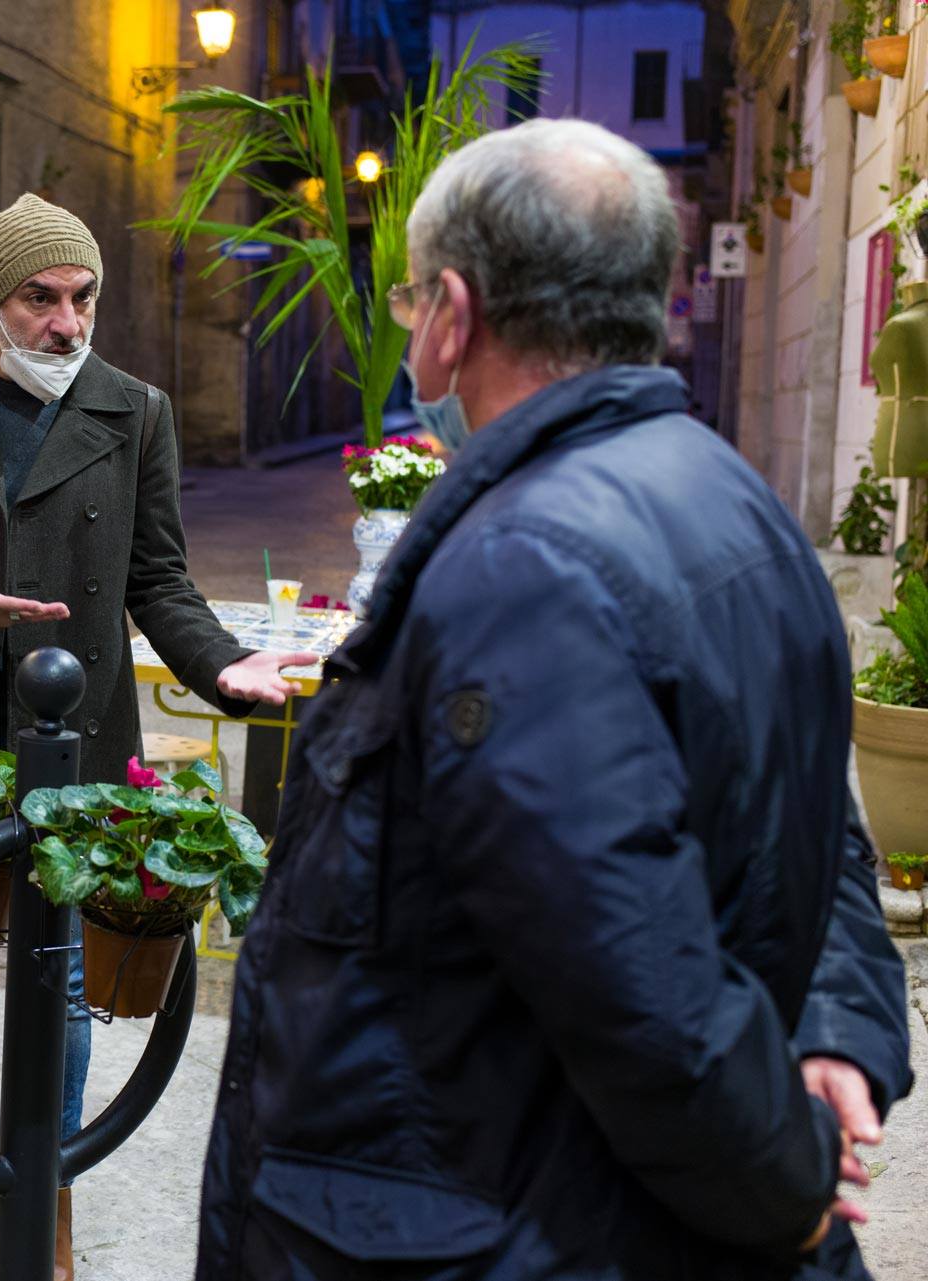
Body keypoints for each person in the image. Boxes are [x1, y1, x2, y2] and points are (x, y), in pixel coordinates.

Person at [197, 118, 914, 1280]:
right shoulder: (739, 502)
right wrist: (841, 1027)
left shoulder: (528, 567)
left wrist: (790, 1184)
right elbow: (813, 825)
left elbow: (640, 981)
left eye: (413, 303)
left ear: (453, 317)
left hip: (508, 1222)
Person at [0, 194, 307, 1281]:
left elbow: (158, 577)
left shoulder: (134, 410)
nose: (67, 321)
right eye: (41, 299)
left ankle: (48, 1189)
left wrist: (219, 662)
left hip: (74, 739)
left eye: (82, 297)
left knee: (65, 979)